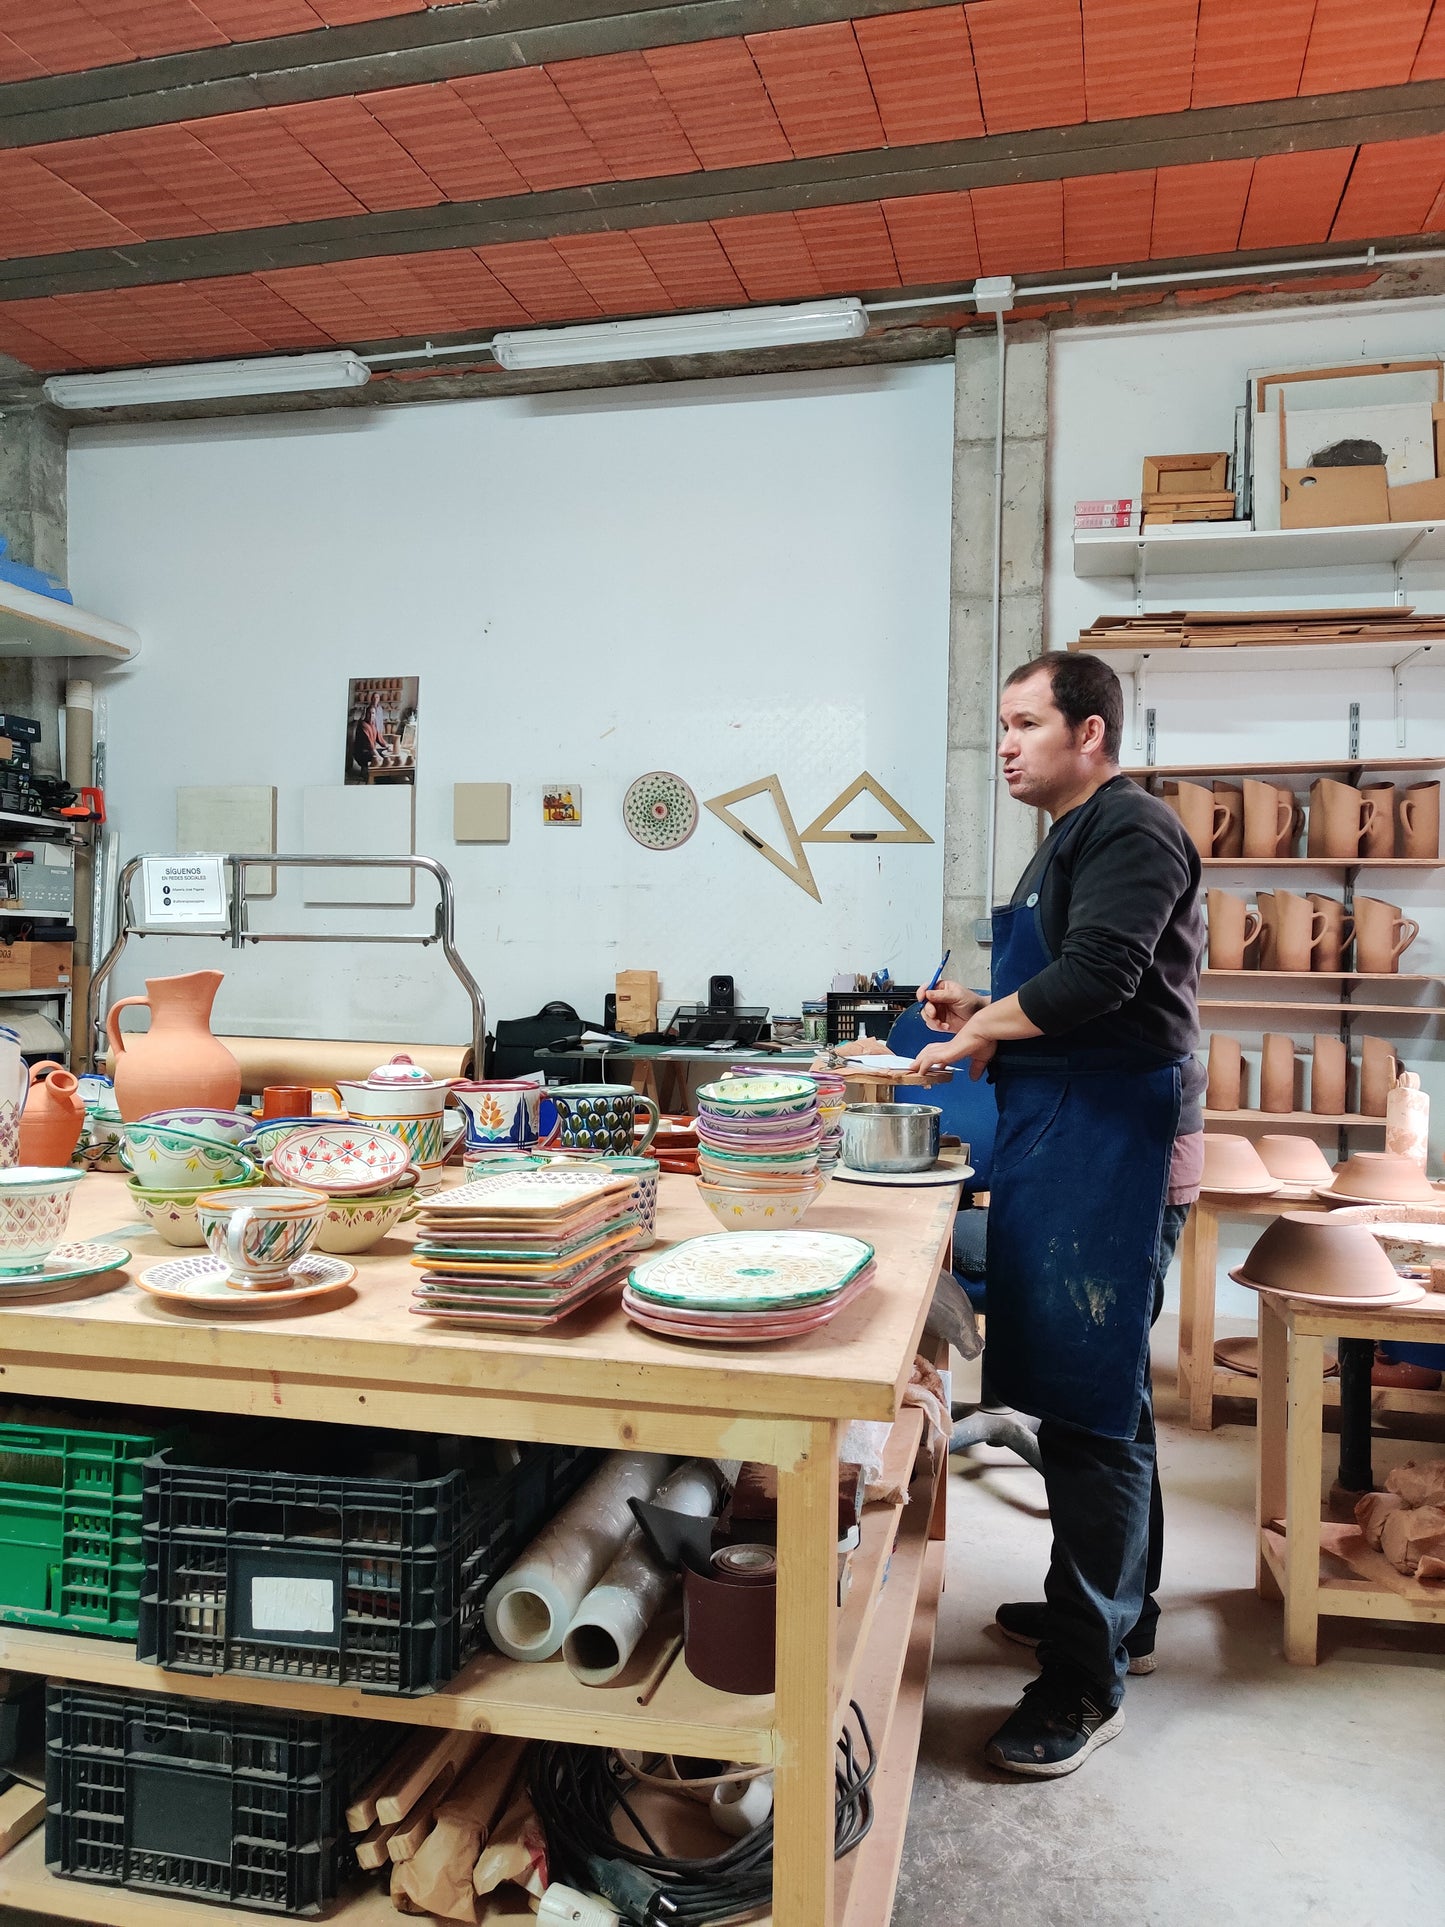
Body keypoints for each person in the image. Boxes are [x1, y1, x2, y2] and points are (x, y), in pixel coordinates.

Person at [914, 650, 1204, 1778]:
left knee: (1088, 1416)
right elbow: (1060, 978)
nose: (1003, 743)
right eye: (999, 724)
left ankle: (1085, 1681)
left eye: (1024, 723)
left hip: (1112, 1140)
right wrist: (979, 1007)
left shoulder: (1130, 828)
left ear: (1088, 733)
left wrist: (979, 1030)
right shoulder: (1069, 834)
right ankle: (1116, 1614)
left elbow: (1099, 978)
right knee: (1106, 1402)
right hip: (1070, 1126)